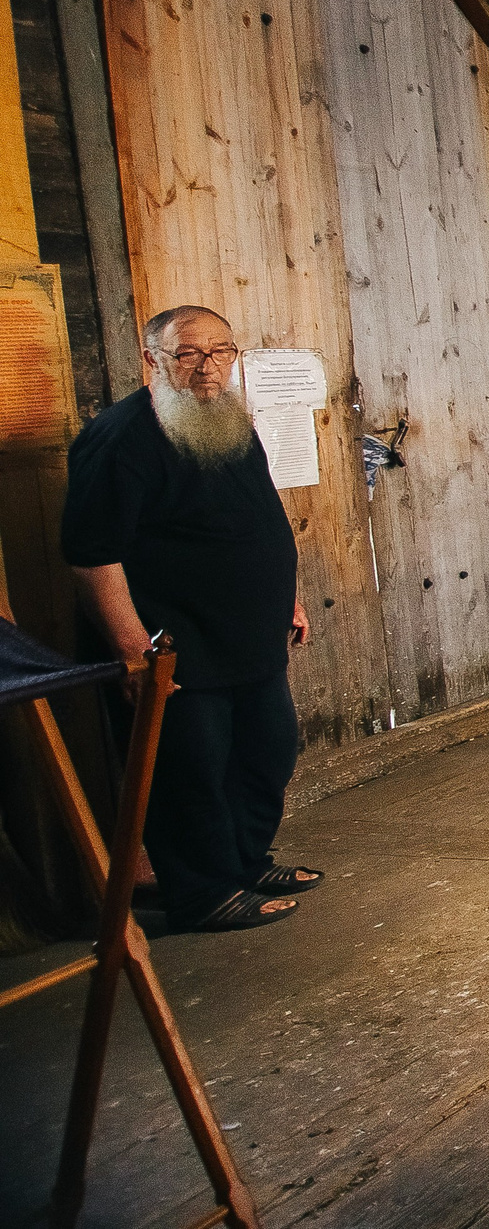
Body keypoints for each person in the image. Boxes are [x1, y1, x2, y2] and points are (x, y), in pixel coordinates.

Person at [61, 305, 316, 932]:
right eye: (189, 354)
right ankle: (202, 892)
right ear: (152, 360)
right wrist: (129, 645)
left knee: (267, 752)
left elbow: (262, 520)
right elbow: (93, 554)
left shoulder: (229, 423)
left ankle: (244, 862)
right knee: (189, 771)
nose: (208, 367)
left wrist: (288, 595)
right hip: (174, 642)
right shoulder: (121, 438)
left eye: (221, 352)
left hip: (249, 637)